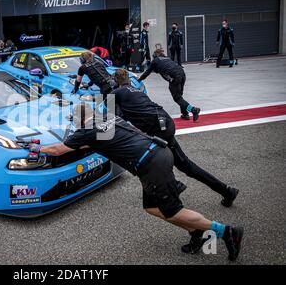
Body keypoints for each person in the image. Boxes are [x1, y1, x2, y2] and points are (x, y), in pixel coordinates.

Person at [28, 103, 244, 261]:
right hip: (158, 153)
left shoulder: (87, 129)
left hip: (151, 165)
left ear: (78, 119)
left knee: (173, 211)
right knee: (152, 208)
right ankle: (196, 232)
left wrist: (37, 149)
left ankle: (227, 232)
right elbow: (95, 143)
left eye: (73, 121)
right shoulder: (108, 118)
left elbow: (59, 149)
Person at [112, 69, 239, 251]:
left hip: (159, 131)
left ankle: (224, 192)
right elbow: (124, 115)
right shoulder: (136, 90)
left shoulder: (117, 92)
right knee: (172, 163)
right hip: (165, 123)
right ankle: (219, 192)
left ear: (116, 82)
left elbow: (108, 119)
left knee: (176, 165)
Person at [138, 48, 200, 121]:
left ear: (155, 56)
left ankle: (193, 110)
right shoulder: (167, 58)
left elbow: (147, 72)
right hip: (182, 73)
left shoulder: (155, 60)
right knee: (180, 96)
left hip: (174, 77)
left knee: (177, 98)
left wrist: (139, 79)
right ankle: (185, 114)